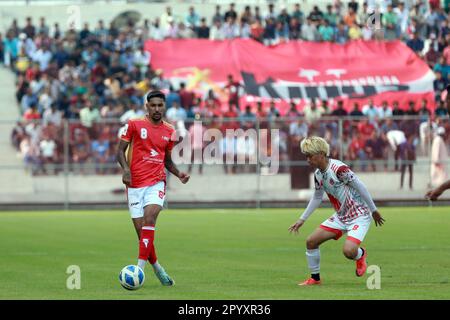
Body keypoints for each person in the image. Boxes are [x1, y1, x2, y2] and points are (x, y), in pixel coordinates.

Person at [288, 136, 385, 286]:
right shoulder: (318, 174)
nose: (307, 160)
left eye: (310, 156)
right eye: (306, 156)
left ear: (321, 154)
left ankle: (360, 255)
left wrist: (374, 210)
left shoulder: (339, 169)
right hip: (341, 217)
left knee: (349, 252)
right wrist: (302, 219)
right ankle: (315, 279)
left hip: (359, 215)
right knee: (311, 241)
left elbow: (360, 186)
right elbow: (317, 197)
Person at [117, 90, 190, 287]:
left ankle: (138, 269)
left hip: (156, 181)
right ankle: (157, 267)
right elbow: (119, 151)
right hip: (134, 184)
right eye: (153, 105)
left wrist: (178, 174)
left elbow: (166, 160)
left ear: (164, 107)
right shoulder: (134, 124)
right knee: (142, 235)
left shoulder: (170, 131)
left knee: (150, 218)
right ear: (147, 106)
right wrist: (125, 170)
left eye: (160, 105)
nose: (157, 109)